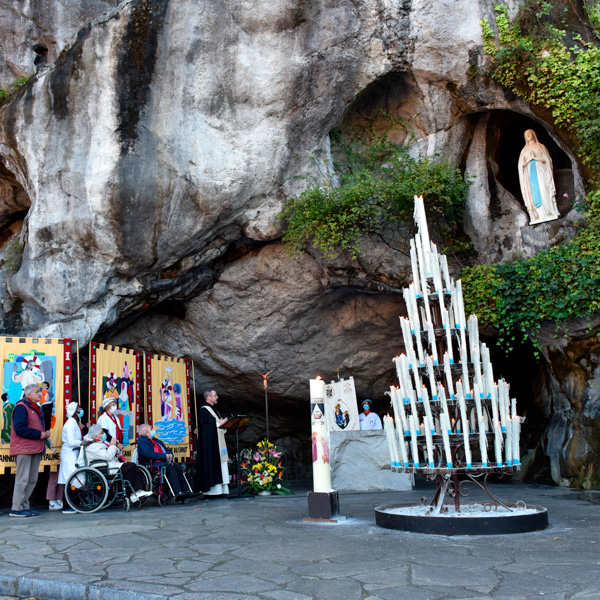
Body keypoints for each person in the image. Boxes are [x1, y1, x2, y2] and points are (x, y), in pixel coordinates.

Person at [9, 384, 50, 517]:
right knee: (23, 479)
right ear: (29, 394)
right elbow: (20, 429)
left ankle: (24, 506)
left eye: (40, 392)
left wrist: (44, 433)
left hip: (35, 448)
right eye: (37, 392)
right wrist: (39, 434)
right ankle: (16, 508)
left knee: (32, 479)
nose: (40, 394)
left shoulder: (36, 408)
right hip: (24, 449)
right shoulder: (21, 407)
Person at [84, 424, 152, 503]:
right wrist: (112, 445)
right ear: (96, 436)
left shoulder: (99, 444)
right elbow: (108, 456)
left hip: (108, 466)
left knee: (130, 466)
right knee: (131, 467)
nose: (104, 434)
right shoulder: (93, 446)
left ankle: (135, 492)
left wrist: (114, 448)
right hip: (103, 468)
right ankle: (136, 492)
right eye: (102, 433)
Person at [137, 424, 195, 501]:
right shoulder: (142, 441)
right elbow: (148, 453)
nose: (153, 430)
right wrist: (164, 456)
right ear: (147, 433)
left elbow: (166, 450)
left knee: (177, 466)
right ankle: (178, 492)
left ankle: (186, 490)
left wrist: (170, 454)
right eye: (151, 429)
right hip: (153, 463)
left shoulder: (156, 441)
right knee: (170, 467)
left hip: (164, 461)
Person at [518, 129, 559, 225]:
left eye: (530, 133)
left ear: (534, 134)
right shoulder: (524, 150)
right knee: (533, 193)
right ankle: (538, 215)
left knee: (543, 189)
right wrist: (527, 161)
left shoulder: (540, 147)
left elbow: (547, 160)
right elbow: (521, 165)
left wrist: (535, 158)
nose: (528, 135)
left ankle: (549, 212)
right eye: (526, 134)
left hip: (540, 171)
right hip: (530, 174)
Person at [195, 390, 229, 496]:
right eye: (215, 396)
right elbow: (206, 428)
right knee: (213, 462)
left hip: (218, 442)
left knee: (221, 463)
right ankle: (214, 491)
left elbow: (215, 424)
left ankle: (222, 489)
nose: (217, 397)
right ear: (209, 397)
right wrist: (219, 424)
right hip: (210, 445)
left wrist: (223, 425)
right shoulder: (204, 410)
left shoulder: (213, 409)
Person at [55, 402, 85, 512]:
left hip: (73, 454)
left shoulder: (74, 423)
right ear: (75, 411)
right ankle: (69, 505)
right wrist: (83, 442)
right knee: (70, 479)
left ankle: (74, 504)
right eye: (79, 408)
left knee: (73, 479)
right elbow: (72, 441)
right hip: (69, 454)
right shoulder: (70, 424)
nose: (81, 410)